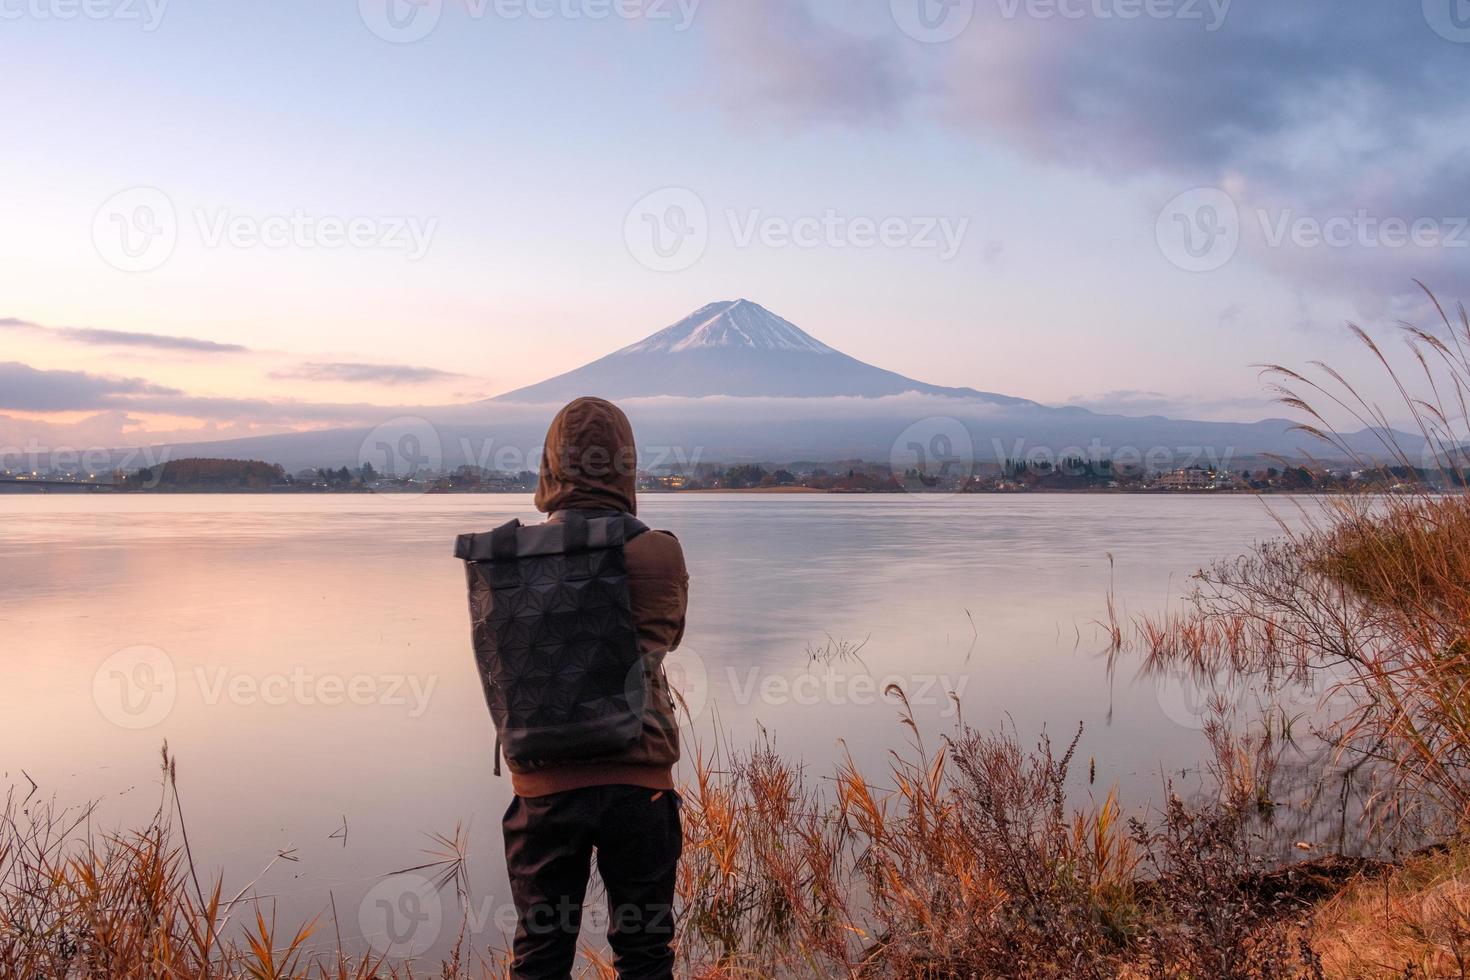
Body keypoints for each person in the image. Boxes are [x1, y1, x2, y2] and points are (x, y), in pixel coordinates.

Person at [500, 396, 689, 980]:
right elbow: (666, 638)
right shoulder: (659, 552)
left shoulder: (509, 561)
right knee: (644, 956)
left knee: (540, 954)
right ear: (626, 466)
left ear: (551, 465)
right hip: (639, 782)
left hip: (544, 787)